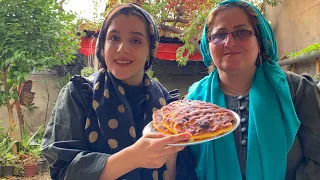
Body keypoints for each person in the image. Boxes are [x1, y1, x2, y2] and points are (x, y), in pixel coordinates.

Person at [40, 3, 192, 180]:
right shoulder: (79, 94)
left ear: (150, 50)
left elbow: (182, 172)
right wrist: (133, 157)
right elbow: (63, 172)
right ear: (102, 47)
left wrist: (170, 157)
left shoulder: (167, 105)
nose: (122, 49)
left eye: (135, 40)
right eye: (114, 38)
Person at [186, 0, 320, 180]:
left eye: (242, 32)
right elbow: (184, 167)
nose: (229, 42)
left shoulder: (296, 90)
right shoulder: (191, 104)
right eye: (219, 34)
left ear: (260, 41)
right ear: (208, 45)